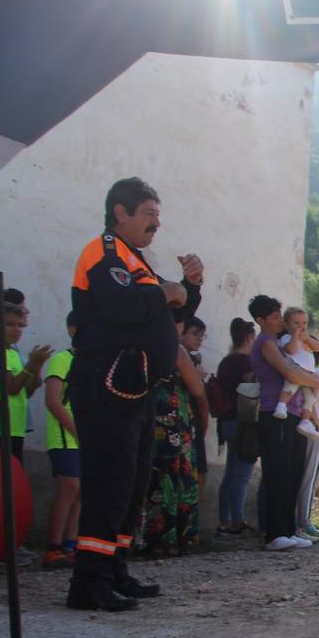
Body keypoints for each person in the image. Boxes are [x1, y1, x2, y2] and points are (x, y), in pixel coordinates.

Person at [65, 176, 204, 612]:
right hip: (107, 384)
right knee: (108, 483)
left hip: (136, 388)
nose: (156, 224)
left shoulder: (134, 260)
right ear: (120, 213)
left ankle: (115, 569)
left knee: (131, 484)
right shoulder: (103, 253)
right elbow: (123, 307)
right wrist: (166, 291)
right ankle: (89, 582)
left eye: (158, 216)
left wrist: (190, 285)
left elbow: (174, 312)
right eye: (148, 214)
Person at [248, 295, 318, 552]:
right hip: (273, 412)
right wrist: (314, 381)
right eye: (274, 316)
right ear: (261, 320)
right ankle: (274, 532)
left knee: (291, 472)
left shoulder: (280, 342)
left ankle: (288, 529)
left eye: (280, 314)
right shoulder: (266, 343)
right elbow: (289, 372)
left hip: (293, 412)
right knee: (277, 472)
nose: (280, 320)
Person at [138, 311, 208, 557]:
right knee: (176, 477)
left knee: (152, 477)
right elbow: (197, 390)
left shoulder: (137, 343)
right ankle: (174, 539)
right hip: (174, 420)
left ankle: (147, 538)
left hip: (146, 416)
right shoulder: (174, 349)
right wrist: (203, 421)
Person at [281, 307, 319, 541]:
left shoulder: (303, 366)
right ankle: (304, 521)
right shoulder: (314, 373)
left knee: (298, 476)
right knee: (308, 477)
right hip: (314, 426)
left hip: (298, 420)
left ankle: (296, 522)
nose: (302, 328)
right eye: (297, 323)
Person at [0, 302, 50, 467]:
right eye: (9, 324)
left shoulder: (12, 353)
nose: (16, 330)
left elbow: (27, 392)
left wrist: (37, 366)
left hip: (14, 425)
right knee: (1, 480)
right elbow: (12, 388)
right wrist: (31, 364)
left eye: (19, 325)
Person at [42, 311, 80, 568]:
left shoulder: (89, 361)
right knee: (70, 488)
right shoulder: (62, 359)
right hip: (65, 436)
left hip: (84, 437)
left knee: (81, 492)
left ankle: (70, 544)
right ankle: (53, 547)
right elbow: (53, 401)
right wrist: (77, 430)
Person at [214, 318, 258, 537]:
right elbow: (254, 387)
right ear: (250, 336)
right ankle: (238, 521)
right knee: (241, 474)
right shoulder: (245, 362)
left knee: (230, 474)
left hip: (225, 422)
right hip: (242, 423)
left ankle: (225, 521)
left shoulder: (226, 361)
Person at [271, 306, 319, 441]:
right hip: (296, 369)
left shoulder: (307, 339)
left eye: (304, 323)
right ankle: (281, 406)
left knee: (310, 398)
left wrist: (306, 338)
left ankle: (305, 421)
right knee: (290, 387)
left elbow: (318, 347)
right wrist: (294, 337)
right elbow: (291, 350)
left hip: (309, 373)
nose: (301, 326)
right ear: (286, 325)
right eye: (296, 323)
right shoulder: (287, 338)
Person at [181, 315, 209, 483]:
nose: (199, 339)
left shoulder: (194, 359)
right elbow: (199, 395)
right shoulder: (185, 359)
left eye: (202, 335)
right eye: (195, 334)